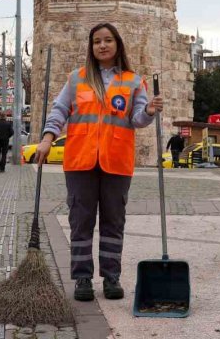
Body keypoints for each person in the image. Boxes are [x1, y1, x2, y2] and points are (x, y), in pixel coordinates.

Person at [35, 22, 162, 302]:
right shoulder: (77, 79)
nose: (102, 45)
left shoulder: (132, 81)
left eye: (107, 40)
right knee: (80, 221)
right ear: (91, 48)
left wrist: (150, 110)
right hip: (80, 162)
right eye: (96, 42)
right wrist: (47, 138)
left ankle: (111, 276)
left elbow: (137, 119)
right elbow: (59, 111)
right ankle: (82, 277)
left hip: (116, 162)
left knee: (113, 222)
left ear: (117, 45)